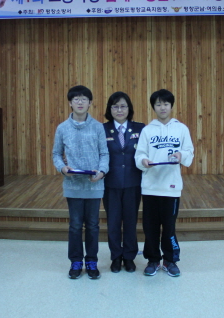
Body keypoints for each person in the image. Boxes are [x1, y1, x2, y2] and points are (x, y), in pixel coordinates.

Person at [134, 89, 194, 277]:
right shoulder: (147, 130)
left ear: (171, 106)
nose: (162, 107)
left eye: (166, 104)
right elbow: (139, 155)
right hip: (150, 187)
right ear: (153, 107)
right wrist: (143, 161)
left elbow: (189, 153)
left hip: (171, 188)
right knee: (150, 227)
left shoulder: (181, 129)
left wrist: (181, 155)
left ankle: (170, 260)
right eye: (158, 104)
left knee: (169, 227)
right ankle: (153, 260)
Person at [52, 85, 109, 280]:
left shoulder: (98, 127)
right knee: (75, 225)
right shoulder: (62, 128)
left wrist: (102, 172)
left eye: (84, 99)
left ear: (90, 103)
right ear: (70, 102)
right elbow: (56, 154)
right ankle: (75, 262)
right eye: (76, 99)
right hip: (73, 185)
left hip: (94, 184)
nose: (80, 102)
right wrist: (62, 168)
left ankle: (92, 261)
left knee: (93, 225)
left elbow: (104, 153)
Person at [102, 91, 145, 273]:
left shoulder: (140, 128)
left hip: (133, 182)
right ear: (110, 109)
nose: (119, 110)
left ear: (129, 108)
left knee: (130, 221)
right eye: (115, 106)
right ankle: (115, 256)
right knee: (113, 222)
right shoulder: (102, 129)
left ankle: (129, 257)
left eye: (123, 106)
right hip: (110, 183)